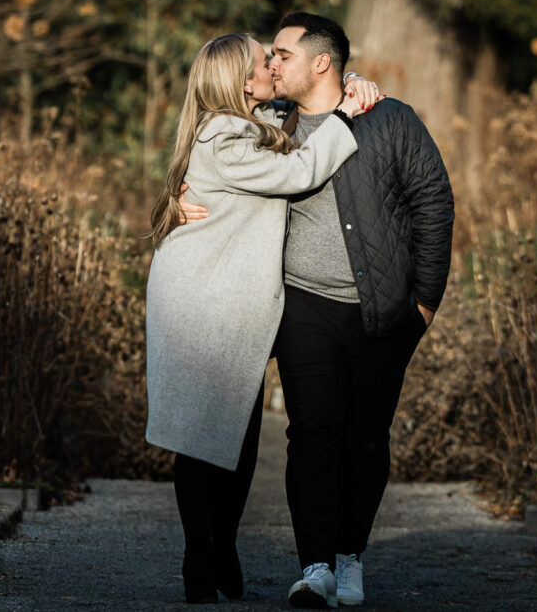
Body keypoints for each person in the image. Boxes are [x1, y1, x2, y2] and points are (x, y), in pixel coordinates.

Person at [180, 12, 454, 608]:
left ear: (321, 62)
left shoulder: (390, 120)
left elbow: (434, 203)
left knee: (365, 440)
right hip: (302, 307)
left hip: (383, 311)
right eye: (269, 57)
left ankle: (350, 557)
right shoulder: (267, 123)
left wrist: (425, 302)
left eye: (281, 54)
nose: (272, 64)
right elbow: (210, 165)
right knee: (312, 436)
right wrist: (183, 200)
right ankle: (315, 567)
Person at [144, 32, 383, 604]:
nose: (273, 68)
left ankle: (220, 544)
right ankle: (200, 557)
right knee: (203, 436)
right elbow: (297, 173)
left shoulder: (251, 124)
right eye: (262, 61)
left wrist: (348, 85)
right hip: (203, 299)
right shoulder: (224, 138)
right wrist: (346, 119)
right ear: (240, 81)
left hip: (236, 301)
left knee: (240, 437)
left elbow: (297, 108)